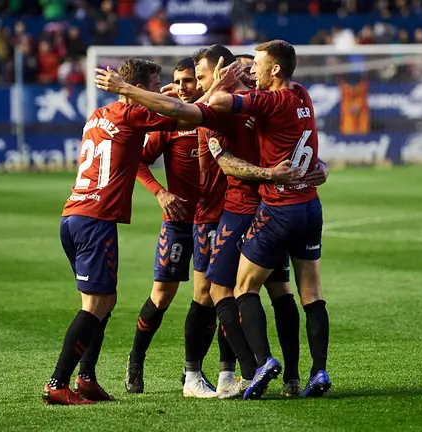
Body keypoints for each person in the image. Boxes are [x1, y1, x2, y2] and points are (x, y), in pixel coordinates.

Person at [93, 40, 332, 400]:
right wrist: (160, 190)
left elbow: (270, 142)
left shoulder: (245, 104)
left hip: (245, 210)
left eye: (197, 77)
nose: (192, 84)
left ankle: (254, 373)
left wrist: (313, 167)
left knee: (237, 291)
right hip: (224, 213)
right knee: (199, 294)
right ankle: (191, 369)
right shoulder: (269, 100)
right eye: (187, 79)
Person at [46, 58, 205, 405]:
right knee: (96, 304)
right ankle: (58, 383)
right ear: (139, 88)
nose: (160, 87)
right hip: (95, 220)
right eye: (156, 82)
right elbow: (187, 114)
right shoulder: (136, 115)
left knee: (103, 302)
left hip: (72, 216)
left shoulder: (99, 115)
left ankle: (86, 378)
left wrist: (149, 95)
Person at [198, 46, 329, 397]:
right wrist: (321, 167)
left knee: (242, 288)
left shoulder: (269, 102)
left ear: (274, 70)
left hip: (273, 208)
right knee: (306, 292)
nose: (252, 70)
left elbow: (217, 105)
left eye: (256, 65)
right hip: (309, 207)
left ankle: (262, 363)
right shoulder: (301, 94)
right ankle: (315, 373)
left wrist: (222, 85)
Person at [124, 56, 229, 398]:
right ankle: (136, 358)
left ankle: (192, 373)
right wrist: (160, 192)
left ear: (200, 82)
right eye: (178, 81)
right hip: (178, 223)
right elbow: (138, 161)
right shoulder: (169, 122)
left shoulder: (211, 117)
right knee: (162, 295)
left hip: (213, 220)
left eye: (189, 81)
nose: (183, 87)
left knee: (211, 297)